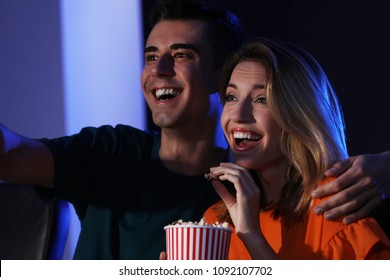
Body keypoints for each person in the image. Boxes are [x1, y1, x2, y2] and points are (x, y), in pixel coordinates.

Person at [0, 0, 388, 259]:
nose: (158, 69)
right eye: (151, 56)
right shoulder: (212, 210)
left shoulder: (321, 206)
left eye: (182, 55)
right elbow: (10, 155)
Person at [203, 37, 390, 259]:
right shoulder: (215, 221)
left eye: (262, 99)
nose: (238, 115)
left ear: (298, 114)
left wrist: (252, 237)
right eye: (231, 97)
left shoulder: (339, 205)